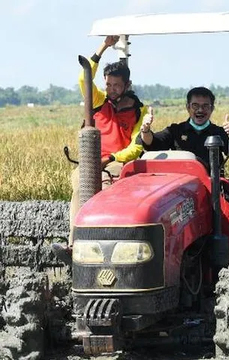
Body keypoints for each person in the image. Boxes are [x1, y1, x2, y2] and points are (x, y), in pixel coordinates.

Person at [53, 35, 148, 265]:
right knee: (82, 185)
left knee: (104, 187)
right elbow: (83, 78)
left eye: (116, 85)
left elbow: (136, 146)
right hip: (92, 161)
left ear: (127, 85)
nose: (112, 89)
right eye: (108, 84)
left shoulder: (139, 110)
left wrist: (112, 158)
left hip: (118, 162)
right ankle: (75, 244)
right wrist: (104, 47)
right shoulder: (98, 101)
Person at [138, 86, 229, 173]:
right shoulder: (176, 130)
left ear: (212, 109)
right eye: (195, 105)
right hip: (181, 186)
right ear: (188, 107)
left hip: (212, 187)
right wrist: (145, 130)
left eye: (205, 106)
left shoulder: (218, 132)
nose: (200, 110)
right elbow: (152, 144)